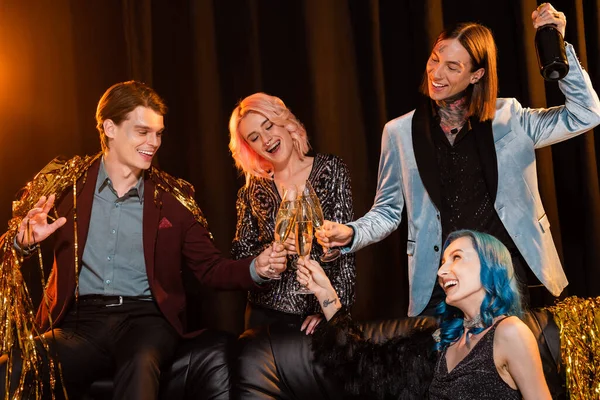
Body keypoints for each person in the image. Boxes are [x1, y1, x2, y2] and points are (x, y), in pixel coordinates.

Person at [0, 81, 287, 399]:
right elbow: (8, 249)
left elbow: (211, 269)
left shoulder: (174, 199)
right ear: (109, 127)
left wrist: (256, 269)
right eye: (142, 132)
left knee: (140, 363)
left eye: (158, 133)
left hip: (146, 320)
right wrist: (21, 243)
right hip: (78, 324)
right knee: (10, 370)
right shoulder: (66, 186)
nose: (154, 142)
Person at [316, 3, 600, 316]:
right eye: (435, 59)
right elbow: (387, 211)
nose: (436, 73)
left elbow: (585, 113)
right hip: (439, 283)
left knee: (504, 361)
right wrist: (352, 233)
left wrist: (560, 45)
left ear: (477, 74)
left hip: (502, 278)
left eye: (453, 67)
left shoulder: (511, 119)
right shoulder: (399, 132)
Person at [297, 229, 552, 399]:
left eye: (456, 258)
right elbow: (367, 368)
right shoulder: (444, 339)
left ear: (491, 266)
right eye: (442, 263)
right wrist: (326, 294)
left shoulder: (510, 332)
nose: (442, 272)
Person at [228, 92, 356, 334]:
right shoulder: (252, 189)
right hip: (265, 318)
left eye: (269, 126)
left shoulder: (331, 170)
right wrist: (269, 254)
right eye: (254, 137)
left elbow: (346, 252)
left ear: (285, 122)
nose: (266, 140)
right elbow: (240, 254)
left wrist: (333, 309)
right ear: (249, 147)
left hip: (320, 315)